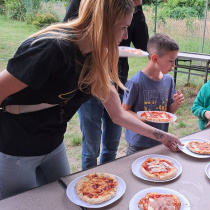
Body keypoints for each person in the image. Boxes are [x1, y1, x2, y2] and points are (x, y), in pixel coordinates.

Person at [0, 0, 182, 199]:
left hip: (54, 146)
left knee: (65, 200)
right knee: (24, 204)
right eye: (123, 27)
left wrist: (162, 136)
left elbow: (118, 114)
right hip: (16, 149)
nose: (126, 36)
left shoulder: (95, 57)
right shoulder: (52, 48)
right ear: (103, 23)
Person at [63, 0, 149, 169]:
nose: (125, 35)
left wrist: (137, 7)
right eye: (122, 28)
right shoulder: (86, 3)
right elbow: (69, 37)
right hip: (89, 85)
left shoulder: (129, 8)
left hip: (117, 84)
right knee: (91, 148)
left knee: (111, 146)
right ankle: (90, 185)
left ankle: (106, 182)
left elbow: (143, 45)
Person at [122, 33, 185, 155]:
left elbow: (169, 113)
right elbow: (124, 111)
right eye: (171, 61)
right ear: (155, 59)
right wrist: (143, 117)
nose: (174, 65)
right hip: (137, 143)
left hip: (160, 141)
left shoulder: (169, 80)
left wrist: (177, 103)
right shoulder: (135, 83)